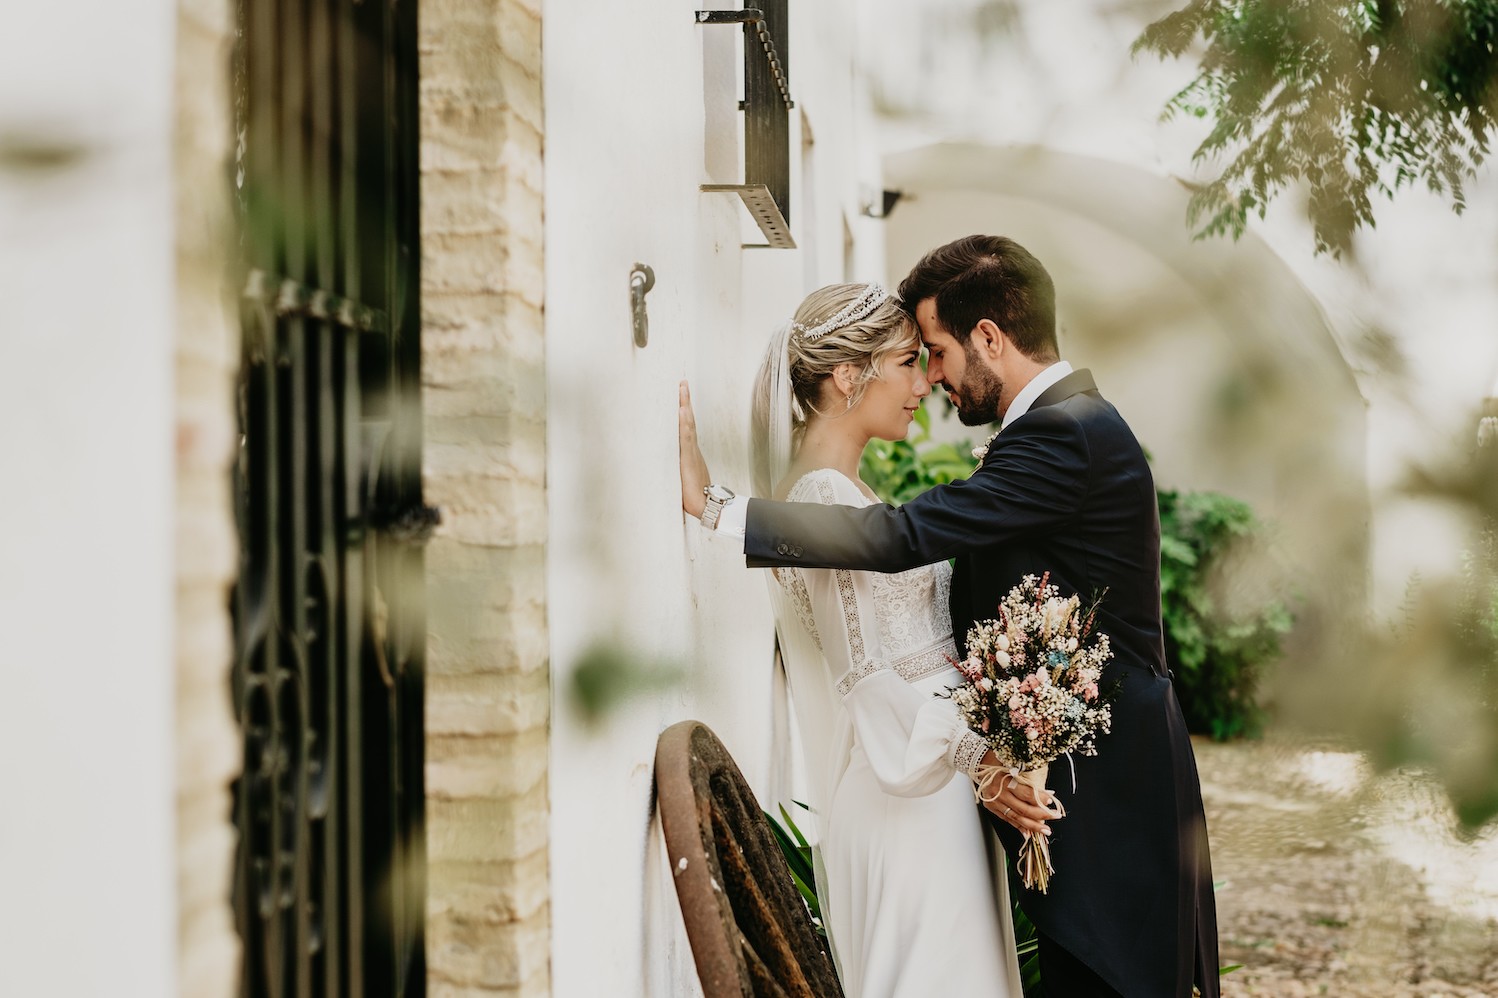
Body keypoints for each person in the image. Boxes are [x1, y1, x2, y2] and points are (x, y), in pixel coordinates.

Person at [680, 236, 1221, 998]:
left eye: (932, 352)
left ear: (990, 339)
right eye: (915, 360)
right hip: (964, 790)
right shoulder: (1063, 428)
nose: (931, 379)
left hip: (1106, 802)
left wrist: (717, 508)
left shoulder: (1063, 434)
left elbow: (900, 538)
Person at [704, 282, 1024, 998]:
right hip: (908, 794)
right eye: (908, 362)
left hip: (933, 786)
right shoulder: (821, 499)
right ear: (848, 376)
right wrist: (980, 757)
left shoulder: (847, 498)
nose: (924, 384)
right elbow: (867, 678)